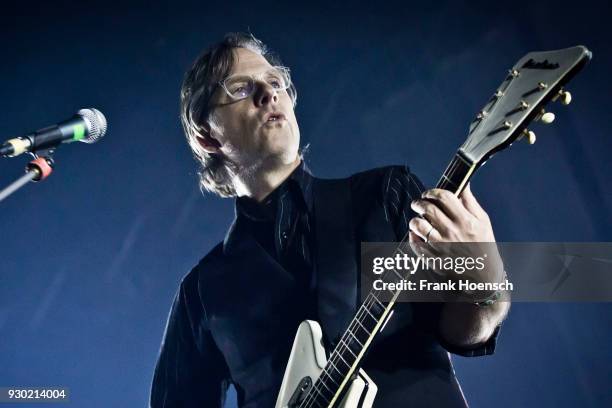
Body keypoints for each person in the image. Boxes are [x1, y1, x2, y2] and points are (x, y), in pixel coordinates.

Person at [150, 32, 510, 408]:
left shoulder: (383, 196)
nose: (269, 94)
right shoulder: (201, 292)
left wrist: (486, 278)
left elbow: (464, 332)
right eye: (241, 88)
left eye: (275, 82)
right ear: (206, 135)